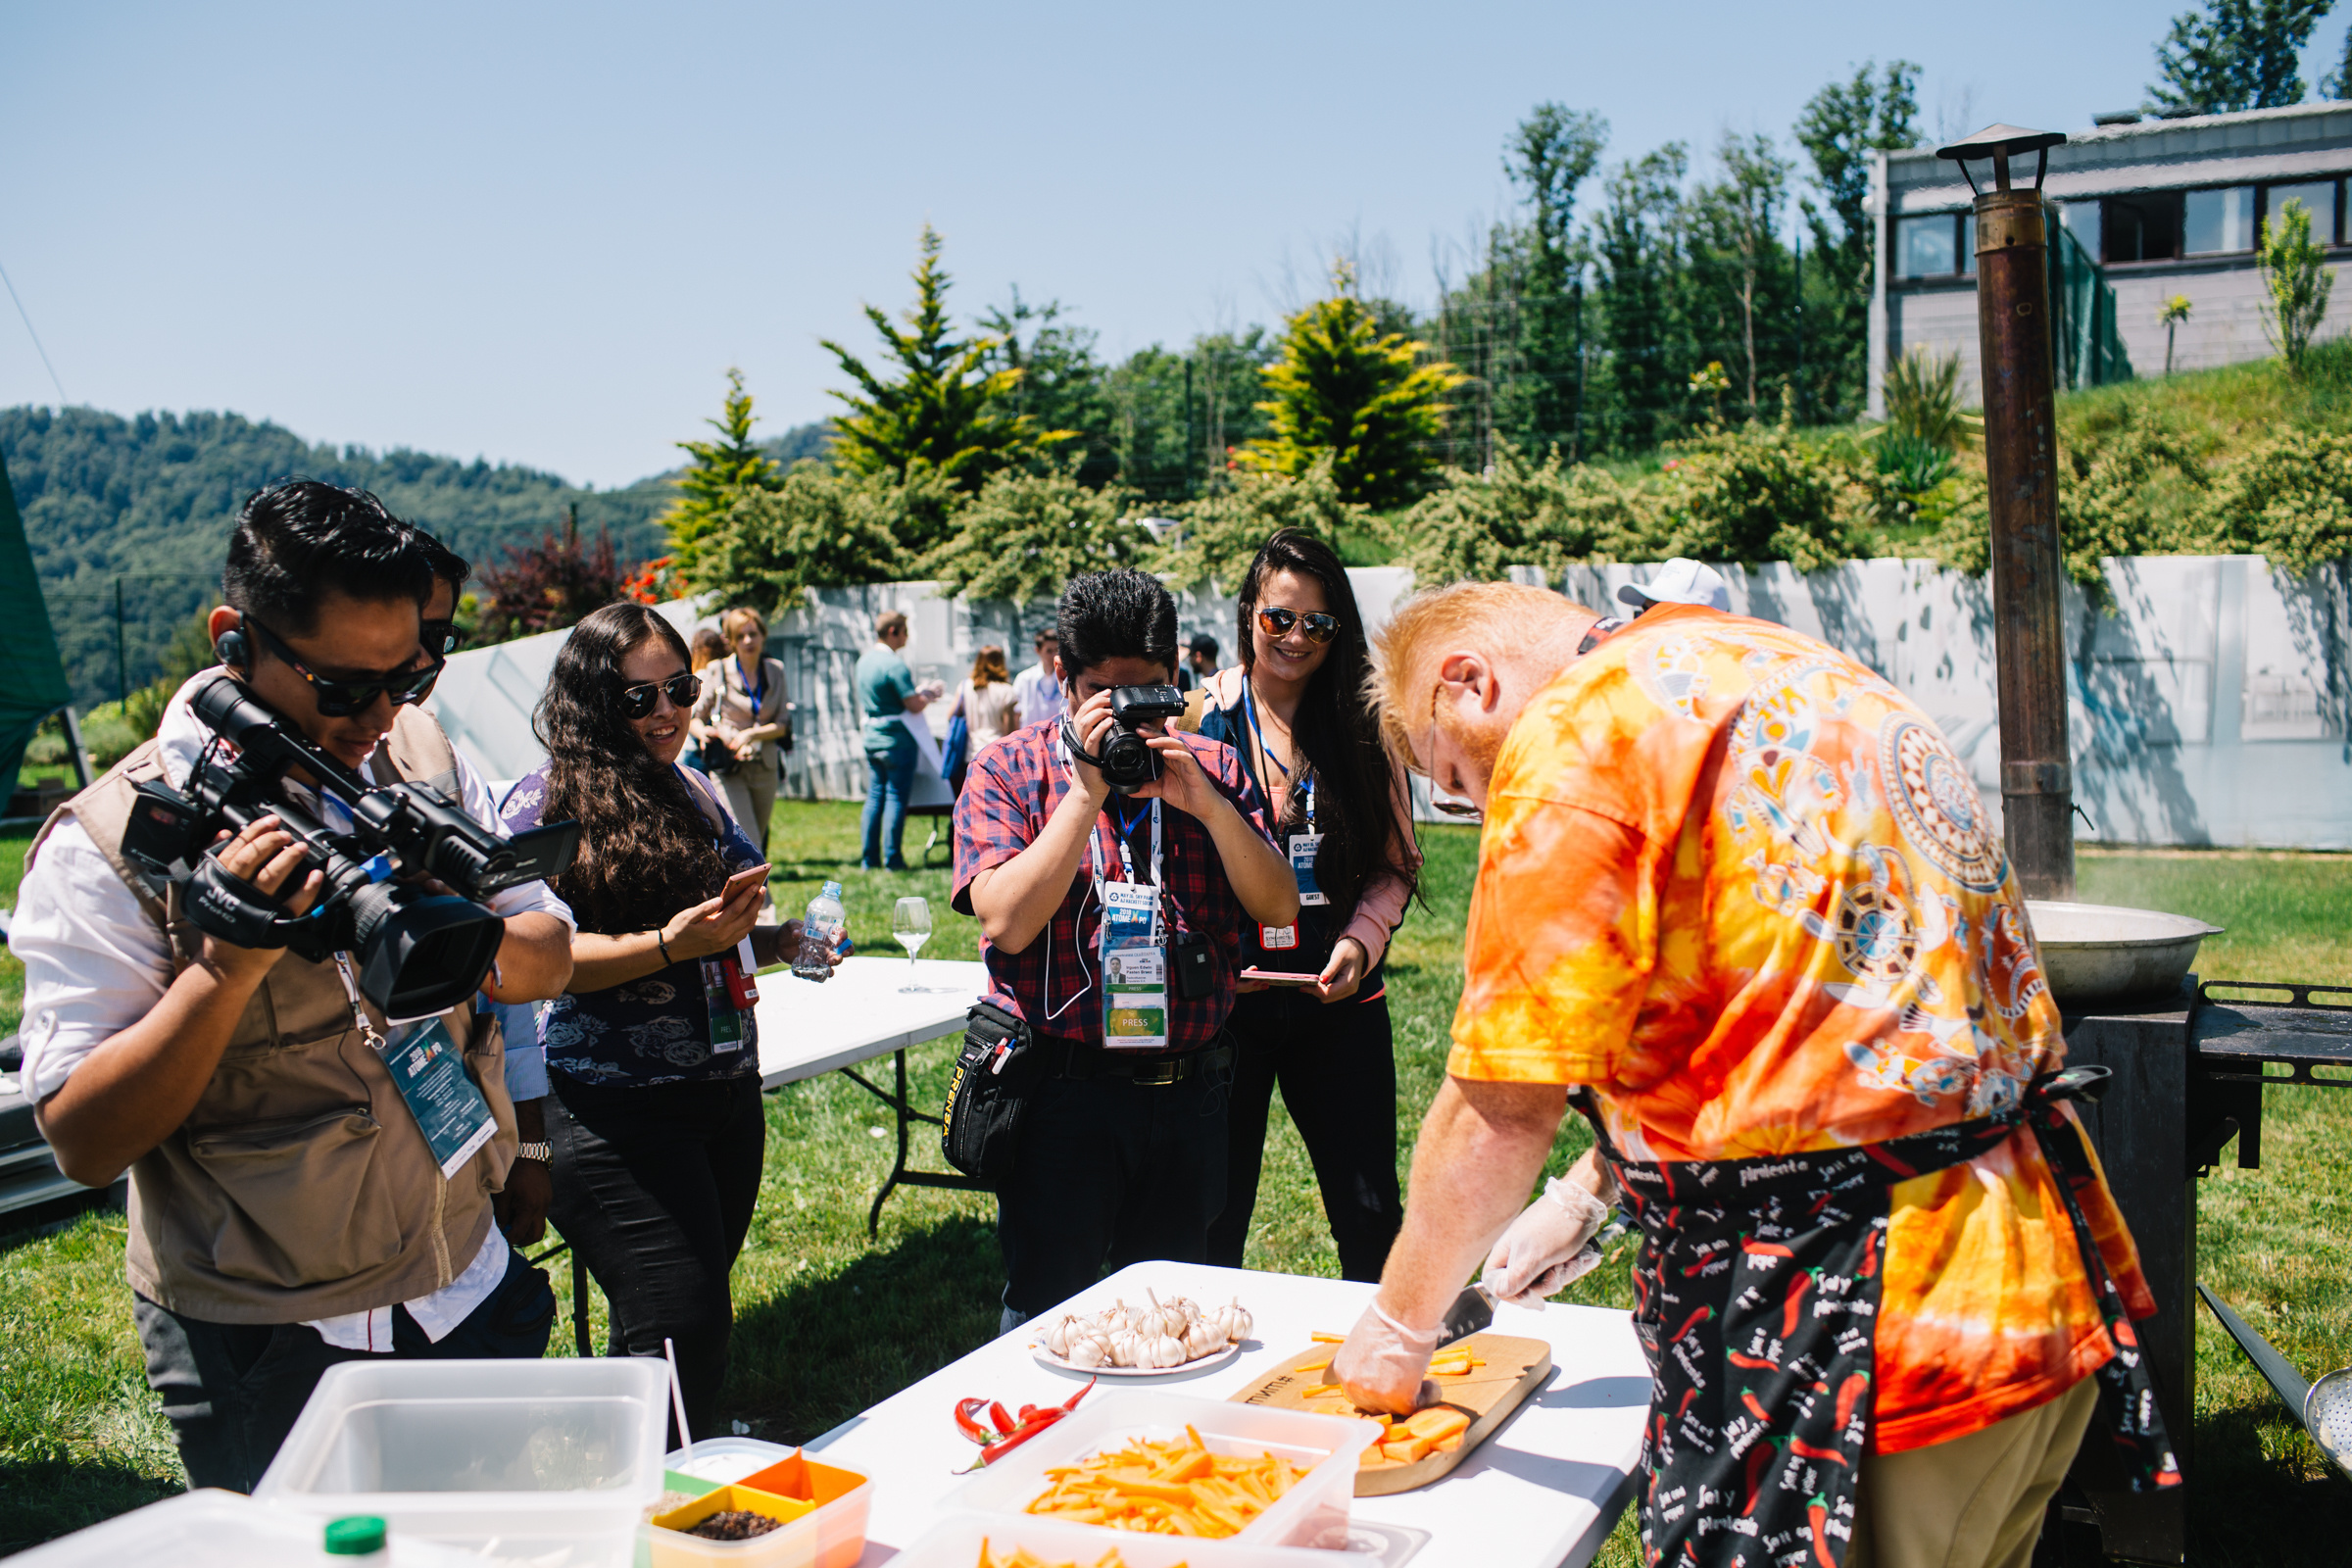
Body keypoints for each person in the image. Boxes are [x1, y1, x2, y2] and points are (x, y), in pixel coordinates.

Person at [1332, 582, 2177, 1568]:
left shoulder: (1576, 731)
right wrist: (1589, 1193)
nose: (1480, 808)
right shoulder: (1779, 669)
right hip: (2022, 1268)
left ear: (1467, 683)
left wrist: (1396, 1328)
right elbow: (1798, 1006)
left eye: (1457, 779)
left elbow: (1498, 1111)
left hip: (1863, 1337)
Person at [11, 480, 578, 1491]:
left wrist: (452, 919)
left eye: (406, 676)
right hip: (275, 1338)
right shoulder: (110, 842)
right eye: (342, 686)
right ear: (238, 637)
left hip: (466, 1283)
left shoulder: (419, 756)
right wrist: (222, 971)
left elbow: (550, 951)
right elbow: (83, 1140)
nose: (377, 716)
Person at [500, 602, 830, 1444]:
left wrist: (774, 938)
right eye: (637, 698)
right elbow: (539, 961)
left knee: (684, 1310)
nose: (666, 713)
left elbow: (704, 929)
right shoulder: (544, 803)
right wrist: (667, 945)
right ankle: (653, 1508)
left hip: (720, 1090)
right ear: (589, 703)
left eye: (678, 689)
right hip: (610, 1106)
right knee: (682, 1318)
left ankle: (649, 1482)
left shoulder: (695, 781)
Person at [953, 568, 1298, 1332]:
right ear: (1063, 679)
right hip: (1061, 1092)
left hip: (1189, 1092)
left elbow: (1277, 907)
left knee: (1178, 1320)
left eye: (1149, 694)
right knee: (1051, 1319)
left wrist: (1206, 803)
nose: (1129, 720)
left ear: (1174, 681)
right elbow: (1004, 922)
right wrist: (1083, 795)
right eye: (1106, 695)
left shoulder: (1212, 767)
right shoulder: (1010, 768)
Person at [1196, 532, 1418, 1281]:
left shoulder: (1365, 724)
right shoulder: (1201, 717)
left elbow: (1396, 866)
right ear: (1249, 614)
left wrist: (1361, 941)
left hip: (1340, 1003)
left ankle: (1387, 1374)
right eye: (1278, 619)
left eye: (1318, 625)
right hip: (1225, 1008)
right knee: (1211, 1217)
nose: (1295, 639)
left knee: (1369, 1215)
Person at [415, 530, 553, 1249]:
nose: (424, 662)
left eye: (441, 636)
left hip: (469, 1166)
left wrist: (529, 1146)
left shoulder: (441, 766)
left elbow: (528, 980)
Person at [694, 609, 789, 855]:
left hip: (765, 766)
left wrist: (751, 735)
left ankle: (739, 889)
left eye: (753, 634)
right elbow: (695, 718)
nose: (748, 641)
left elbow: (782, 723)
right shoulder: (719, 670)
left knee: (757, 841)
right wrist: (705, 734)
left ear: (763, 636)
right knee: (749, 841)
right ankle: (762, 894)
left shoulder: (775, 670)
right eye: (741, 635)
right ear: (732, 640)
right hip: (729, 767)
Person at [856, 610, 934, 870]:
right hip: (896, 741)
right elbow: (912, 704)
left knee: (875, 797)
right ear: (893, 632)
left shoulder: (863, 661)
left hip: (872, 737)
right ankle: (893, 859)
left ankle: (869, 860)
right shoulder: (894, 664)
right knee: (896, 798)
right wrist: (929, 695)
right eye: (904, 631)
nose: (907, 637)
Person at [947, 644, 1020, 791]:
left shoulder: (965, 686)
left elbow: (950, 716)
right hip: (996, 754)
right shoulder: (1007, 691)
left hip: (970, 753)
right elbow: (1010, 731)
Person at [681, 626, 730, 776]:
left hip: (696, 746)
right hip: (704, 744)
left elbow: (693, 712)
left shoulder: (700, 674)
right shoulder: (723, 673)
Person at [1010, 628, 1065, 728]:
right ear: (1038, 650)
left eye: (1057, 650)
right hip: (1030, 737)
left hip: (1056, 737)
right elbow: (1016, 714)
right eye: (1049, 651)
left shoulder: (1066, 678)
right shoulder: (1024, 678)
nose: (1054, 655)